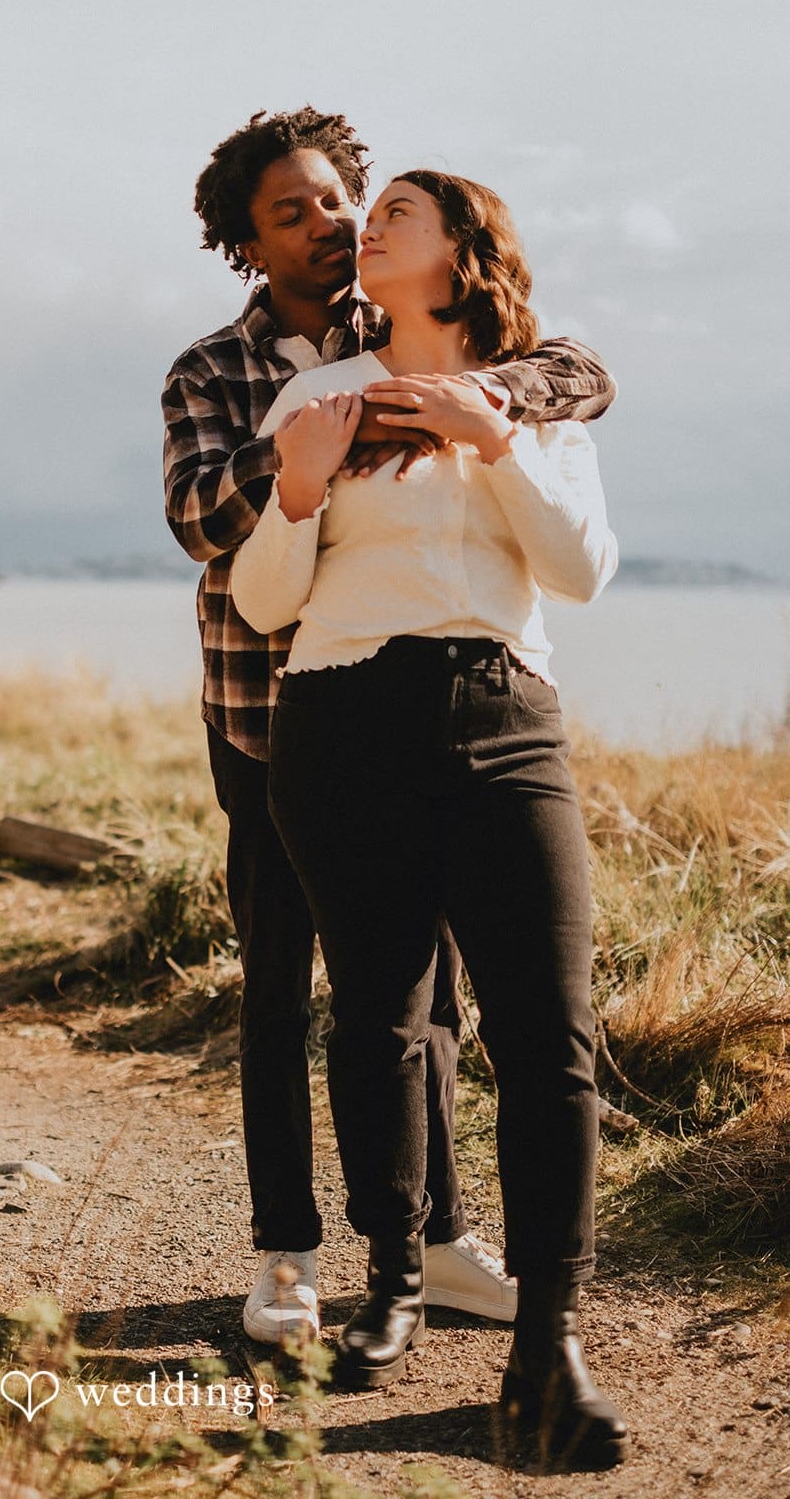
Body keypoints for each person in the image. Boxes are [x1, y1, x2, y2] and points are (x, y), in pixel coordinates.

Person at [162, 108, 617, 1352]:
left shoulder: (417, 340)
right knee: (286, 995)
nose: (328, 224)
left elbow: (572, 371)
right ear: (246, 245)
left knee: (429, 1005)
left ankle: (428, 1247)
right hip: (273, 714)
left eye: (336, 200)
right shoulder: (225, 371)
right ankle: (286, 1256)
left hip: (458, 712)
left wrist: (475, 404)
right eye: (289, 212)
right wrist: (320, 454)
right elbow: (206, 523)